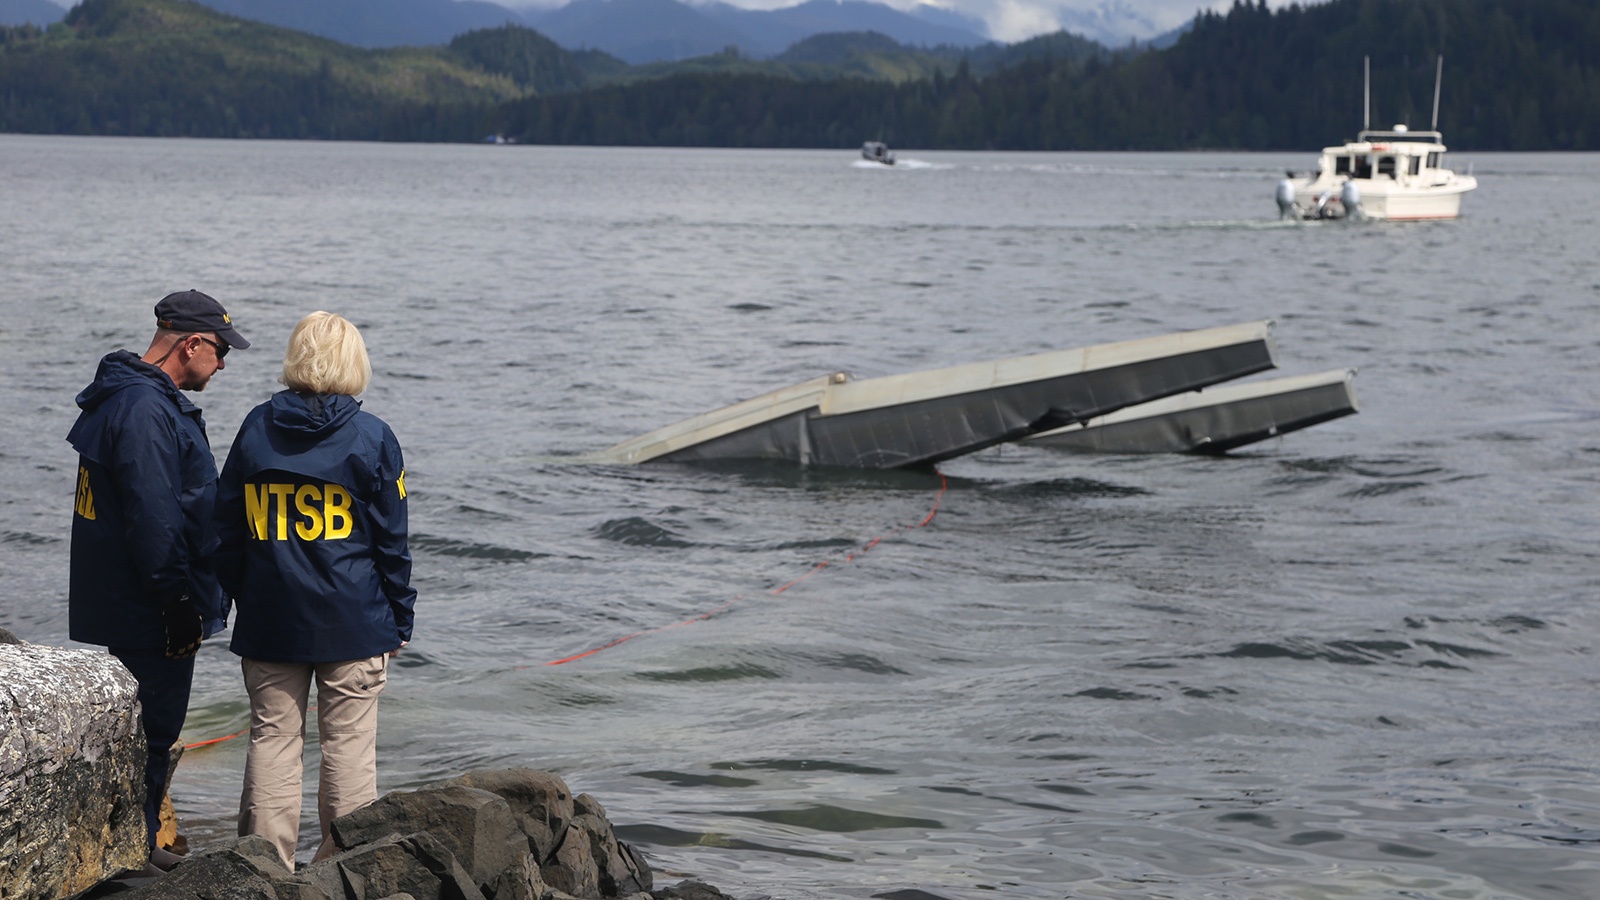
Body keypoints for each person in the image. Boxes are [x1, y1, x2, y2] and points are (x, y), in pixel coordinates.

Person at [214, 311, 415, 870]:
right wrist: (400, 618)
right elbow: (391, 543)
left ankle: (261, 868)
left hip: (270, 617)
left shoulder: (256, 427)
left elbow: (224, 527)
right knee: (349, 749)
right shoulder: (373, 436)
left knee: (272, 740)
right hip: (353, 619)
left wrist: (240, 595)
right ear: (355, 363)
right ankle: (343, 871)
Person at [67, 289, 251, 874]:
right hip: (148, 603)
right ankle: (127, 856)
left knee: (144, 730)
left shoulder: (127, 396)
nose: (222, 364)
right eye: (220, 350)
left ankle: (136, 845)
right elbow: (155, 516)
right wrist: (176, 601)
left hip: (127, 596)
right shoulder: (145, 409)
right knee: (151, 732)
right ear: (190, 343)